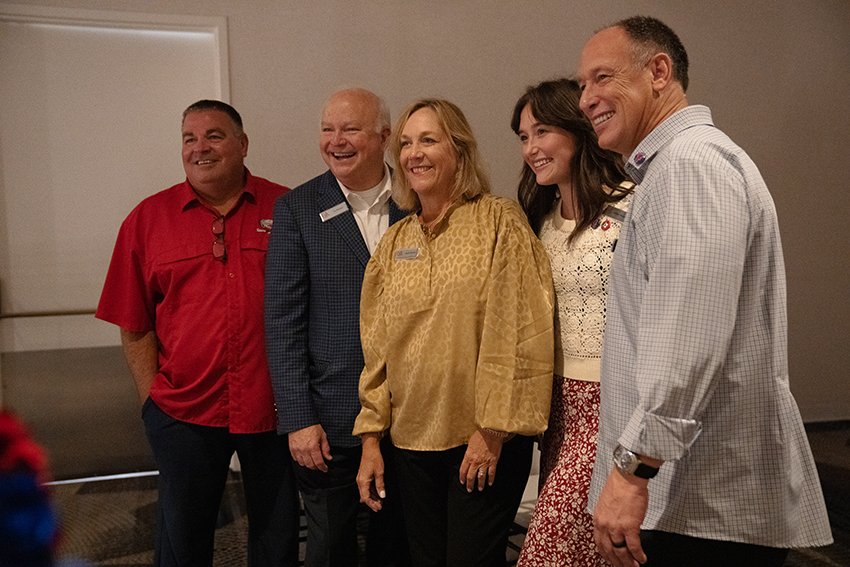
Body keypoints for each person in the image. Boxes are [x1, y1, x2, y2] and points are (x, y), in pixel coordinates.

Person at [576, 16, 833, 567]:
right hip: (687, 500)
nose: (586, 99)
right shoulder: (676, 167)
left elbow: (686, 340)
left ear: (659, 72)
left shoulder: (689, 167)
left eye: (601, 77)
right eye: (581, 86)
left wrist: (632, 469)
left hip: (702, 509)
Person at [96, 100, 300, 567]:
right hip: (183, 411)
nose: (200, 148)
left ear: (243, 145)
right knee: (182, 538)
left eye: (214, 135)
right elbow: (135, 323)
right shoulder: (147, 220)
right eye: (189, 138)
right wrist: (153, 404)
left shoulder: (288, 208)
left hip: (275, 406)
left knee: (277, 534)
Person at [354, 98, 555, 567]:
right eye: (405, 143)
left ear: (459, 149)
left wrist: (492, 430)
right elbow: (376, 348)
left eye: (429, 139)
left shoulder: (499, 221)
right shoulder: (395, 241)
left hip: (481, 441)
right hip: (410, 442)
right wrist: (370, 440)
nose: (413, 153)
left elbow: (520, 330)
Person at [265, 88, 409, 567]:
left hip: (411, 417)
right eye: (327, 129)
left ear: (384, 136)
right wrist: (298, 418)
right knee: (330, 550)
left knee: (400, 546)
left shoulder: (419, 200)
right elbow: (283, 322)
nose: (335, 141)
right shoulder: (297, 209)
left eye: (350, 129)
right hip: (330, 421)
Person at [511, 78, 632, 567]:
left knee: (548, 548)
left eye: (542, 131)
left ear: (578, 130)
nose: (531, 148)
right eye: (522, 137)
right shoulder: (539, 218)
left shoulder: (632, 204)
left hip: (612, 401)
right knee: (590, 547)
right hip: (557, 401)